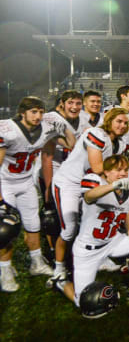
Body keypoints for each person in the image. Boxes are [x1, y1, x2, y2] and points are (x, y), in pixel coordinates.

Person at [49, 155, 129, 310]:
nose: (123, 173)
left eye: (125, 170)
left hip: (112, 242)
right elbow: (89, 196)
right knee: (82, 302)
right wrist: (114, 186)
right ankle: (61, 283)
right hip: (88, 250)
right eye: (118, 170)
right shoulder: (94, 181)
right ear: (107, 172)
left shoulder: (127, 193)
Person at [0, 97, 75, 292]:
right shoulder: (8, 130)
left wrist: (64, 127)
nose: (38, 116)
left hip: (25, 182)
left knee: (34, 225)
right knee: (6, 229)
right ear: (22, 112)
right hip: (5, 183)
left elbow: (71, 144)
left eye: (41, 112)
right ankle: (5, 271)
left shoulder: (45, 129)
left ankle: (36, 263)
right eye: (33, 112)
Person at [48, 108, 129, 286]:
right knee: (69, 229)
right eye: (119, 121)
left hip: (92, 185)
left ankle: (100, 259)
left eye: (125, 123)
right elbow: (97, 167)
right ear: (109, 120)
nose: (122, 126)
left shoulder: (120, 144)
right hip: (71, 183)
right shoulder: (96, 133)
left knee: (95, 224)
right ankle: (59, 268)